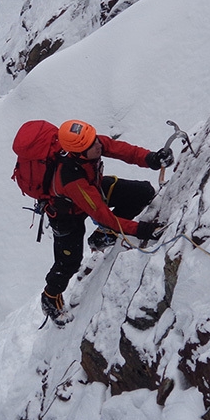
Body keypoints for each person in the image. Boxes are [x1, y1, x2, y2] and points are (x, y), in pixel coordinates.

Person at [41, 119, 173, 324]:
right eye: (93, 144)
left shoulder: (88, 144)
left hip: (92, 187)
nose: (99, 145)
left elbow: (121, 150)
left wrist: (151, 159)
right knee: (69, 263)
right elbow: (103, 215)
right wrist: (142, 230)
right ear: (79, 153)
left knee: (142, 193)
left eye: (95, 139)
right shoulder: (71, 179)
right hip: (67, 215)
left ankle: (103, 237)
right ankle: (50, 298)